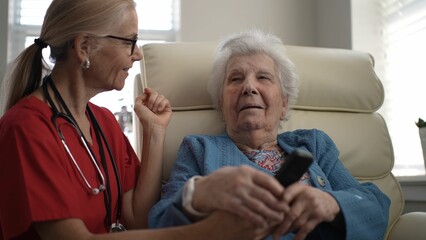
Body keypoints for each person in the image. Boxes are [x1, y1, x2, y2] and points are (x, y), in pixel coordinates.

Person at [0, 1, 273, 239]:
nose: (138, 53)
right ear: (84, 47)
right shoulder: (25, 128)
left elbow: (138, 218)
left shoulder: (103, 122)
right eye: (129, 41)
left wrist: (154, 132)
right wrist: (205, 234)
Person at [148, 30, 391, 240]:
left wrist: (332, 205)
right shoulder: (199, 149)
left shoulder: (314, 144)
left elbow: (376, 206)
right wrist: (199, 196)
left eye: (263, 77)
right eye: (235, 79)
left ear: (284, 103)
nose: (249, 87)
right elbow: (161, 223)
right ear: (222, 105)